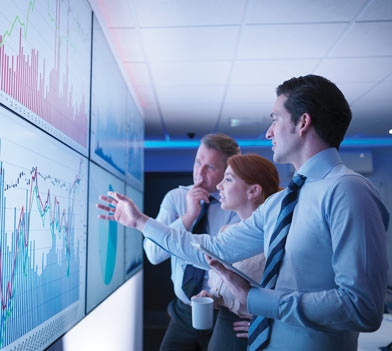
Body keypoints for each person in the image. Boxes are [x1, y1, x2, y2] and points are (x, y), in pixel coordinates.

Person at [97, 75, 390, 351]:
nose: (268, 131)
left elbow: (360, 308)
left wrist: (260, 302)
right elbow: (212, 249)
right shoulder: (280, 204)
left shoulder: (349, 191)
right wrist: (140, 221)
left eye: (275, 119)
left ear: (303, 122)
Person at [143, 133, 240, 350]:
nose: (200, 172)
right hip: (183, 310)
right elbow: (153, 254)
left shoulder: (236, 205)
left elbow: (230, 260)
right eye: (198, 162)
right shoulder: (175, 198)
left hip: (222, 311)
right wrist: (187, 217)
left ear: (227, 171)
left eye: (210, 167)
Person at [199, 153, 281, 351]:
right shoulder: (226, 232)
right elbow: (227, 288)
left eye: (228, 179)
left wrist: (267, 322)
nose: (219, 186)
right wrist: (211, 296)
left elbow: (286, 295)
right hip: (222, 327)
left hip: (244, 333)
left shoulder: (273, 240)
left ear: (253, 190)